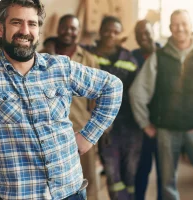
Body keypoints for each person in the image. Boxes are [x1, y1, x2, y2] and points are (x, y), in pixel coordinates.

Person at [0, 1, 123, 200]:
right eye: (17, 23)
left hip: (72, 192)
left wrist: (89, 136)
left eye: (32, 24)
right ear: (1, 28)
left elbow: (112, 86)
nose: (25, 31)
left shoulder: (59, 67)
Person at [129, 9, 193, 200]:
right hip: (167, 131)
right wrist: (144, 123)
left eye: (184, 23)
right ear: (170, 28)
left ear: (191, 27)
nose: (180, 28)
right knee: (167, 185)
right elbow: (137, 92)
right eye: (175, 24)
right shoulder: (159, 57)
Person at [40, 14, 100, 200]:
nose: (68, 32)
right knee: (49, 182)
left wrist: (93, 131)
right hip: (50, 133)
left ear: (78, 32)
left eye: (73, 28)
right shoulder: (42, 57)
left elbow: (96, 102)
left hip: (81, 132)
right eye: (64, 27)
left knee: (88, 179)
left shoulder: (89, 60)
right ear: (58, 29)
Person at [83, 16, 142, 200]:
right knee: (112, 174)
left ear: (120, 35)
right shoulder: (89, 55)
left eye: (116, 32)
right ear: (100, 31)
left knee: (131, 175)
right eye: (107, 30)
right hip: (105, 128)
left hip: (130, 126)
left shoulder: (129, 58)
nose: (111, 35)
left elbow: (139, 92)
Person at [131, 19, 162, 200]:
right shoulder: (130, 57)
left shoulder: (165, 54)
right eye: (139, 33)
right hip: (138, 124)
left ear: (154, 32)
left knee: (165, 173)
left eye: (147, 32)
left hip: (162, 123)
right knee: (141, 171)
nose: (143, 36)